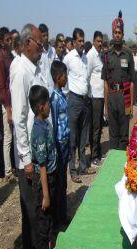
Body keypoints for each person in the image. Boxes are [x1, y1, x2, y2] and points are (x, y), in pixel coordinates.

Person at [10, 23, 44, 249]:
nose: (42, 47)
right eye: (39, 43)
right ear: (28, 43)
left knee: (31, 202)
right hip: (27, 154)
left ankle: (31, 247)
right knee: (31, 205)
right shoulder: (20, 70)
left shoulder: (33, 67)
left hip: (36, 145)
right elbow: (19, 118)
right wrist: (26, 157)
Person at [28, 85, 57, 249]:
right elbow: (42, 165)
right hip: (43, 182)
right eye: (47, 104)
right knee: (43, 225)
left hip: (52, 178)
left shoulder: (45, 123)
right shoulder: (38, 130)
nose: (49, 107)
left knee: (50, 220)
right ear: (40, 107)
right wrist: (45, 194)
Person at [64, 27, 95, 183]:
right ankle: (73, 169)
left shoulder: (85, 58)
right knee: (73, 137)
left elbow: (87, 79)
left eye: (83, 40)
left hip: (85, 100)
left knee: (84, 135)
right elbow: (63, 78)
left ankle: (83, 166)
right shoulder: (69, 58)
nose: (82, 43)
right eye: (79, 41)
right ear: (74, 41)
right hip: (74, 100)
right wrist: (66, 96)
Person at [101, 11, 135, 150]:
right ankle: (113, 165)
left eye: (119, 32)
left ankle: (122, 165)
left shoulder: (128, 54)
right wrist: (105, 106)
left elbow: (132, 81)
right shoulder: (107, 55)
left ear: (123, 34)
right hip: (112, 98)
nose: (117, 35)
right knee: (113, 134)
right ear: (112, 33)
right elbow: (105, 82)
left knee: (124, 135)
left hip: (125, 96)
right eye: (115, 32)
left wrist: (131, 104)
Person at [50, 61, 70, 227]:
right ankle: (59, 219)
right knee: (59, 181)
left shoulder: (62, 94)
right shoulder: (54, 99)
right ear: (58, 77)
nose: (67, 78)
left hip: (65, 142)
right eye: (65, 76)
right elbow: (55, 125)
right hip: (59, 144)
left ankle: (62, 215)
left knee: (63, 181)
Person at [0, 27, 14, 181]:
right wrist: (8, 109)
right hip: (7, 103)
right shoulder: (1, 59)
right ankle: (8, 170)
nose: (10, 42)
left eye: (11, 39)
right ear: (2, 42)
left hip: (14, 100)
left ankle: (13, 166)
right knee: (8, 138)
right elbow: (2, 87)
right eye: (7, 40)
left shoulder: (11, 57)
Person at [86, 31, 104, 166]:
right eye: (98, 41)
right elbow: (86, 76)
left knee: (99, 125)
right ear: (93, 41)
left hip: (101, 95)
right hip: (94, 96)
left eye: (101, 41)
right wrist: (88, 96)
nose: (100, 43)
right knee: (95, 127)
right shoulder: (90, 56)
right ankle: (93, 157)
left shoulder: (100, 56)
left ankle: (98, 153)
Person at [38, 24, 54, 93]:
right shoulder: (38, 51)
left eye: (47, 35)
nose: (46, 37)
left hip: (52, 87)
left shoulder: (53, 50)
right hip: (42, 88)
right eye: (44, 36)